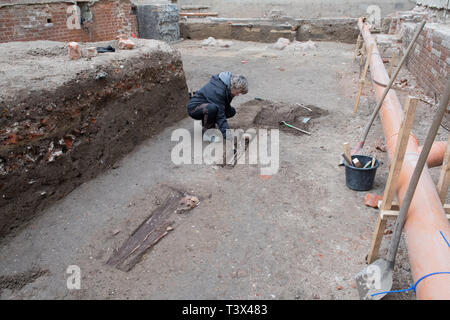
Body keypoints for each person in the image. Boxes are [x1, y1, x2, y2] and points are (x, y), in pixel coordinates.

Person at [187, 72, 248, 142]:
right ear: (233, 87)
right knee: (212, 109)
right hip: (195, 108)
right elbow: (220, 115)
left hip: (208, 104)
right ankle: (208, 133)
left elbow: (225, 105)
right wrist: (229, 137)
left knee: (231, 112)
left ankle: (209, 121)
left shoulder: (228, 86)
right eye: (237, 92)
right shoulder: (218, 91)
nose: (237, 95)